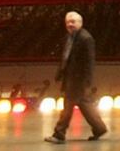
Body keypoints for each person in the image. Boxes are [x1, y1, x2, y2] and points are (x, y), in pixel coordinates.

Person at [45, 11, 108, 144]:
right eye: (68, 22)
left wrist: (87, 81)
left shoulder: (86, 38)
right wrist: (60, 72)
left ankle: (59, 134)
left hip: (79, 80)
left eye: (73, 21)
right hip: (71, 78)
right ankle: (99, 128)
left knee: (67, 106)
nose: (70, 24)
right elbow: (65, 57)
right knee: (85, 105)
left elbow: (90, 61)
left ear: (80, 23)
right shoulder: (68, 37)